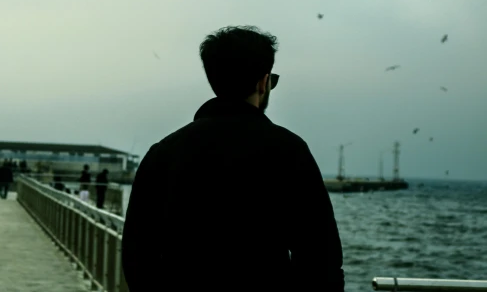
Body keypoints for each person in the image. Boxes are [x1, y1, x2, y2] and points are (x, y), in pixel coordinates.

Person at [121, 26, 344, 292]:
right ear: (263, 82)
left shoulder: (164, 153)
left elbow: (137, 253)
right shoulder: (289, 150)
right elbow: (320, 258)